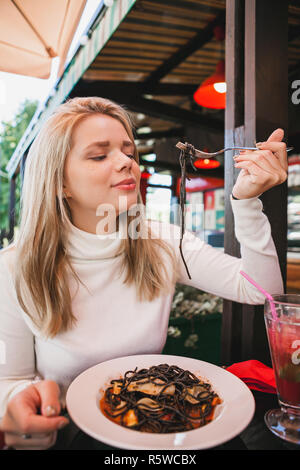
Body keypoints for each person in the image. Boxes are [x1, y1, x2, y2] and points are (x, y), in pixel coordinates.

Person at [0, 96, 287, 450]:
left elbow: (261, 290)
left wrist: (247, 203)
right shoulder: (14, 266)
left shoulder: (162, 241)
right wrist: (16, 404)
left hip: (160, 432)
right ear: (60, 183)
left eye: (129, 151)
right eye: (100, 155)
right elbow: (10, 380)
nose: (128, 164)